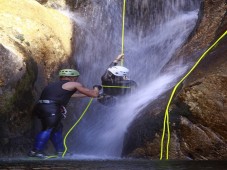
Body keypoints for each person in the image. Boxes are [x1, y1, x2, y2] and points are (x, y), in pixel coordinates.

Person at [28, 69, 100, 158]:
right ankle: (35, 151)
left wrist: (86, 95)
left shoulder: (53, 85)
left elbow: (70, 95)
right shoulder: (75, 84)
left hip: (42, 107)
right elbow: (94, 94)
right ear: (72, 77)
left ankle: (60, 151)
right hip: (51, 107)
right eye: (76, 78)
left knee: (56, 128)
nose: (77, 79)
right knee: (48, 128)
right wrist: (96, 88)